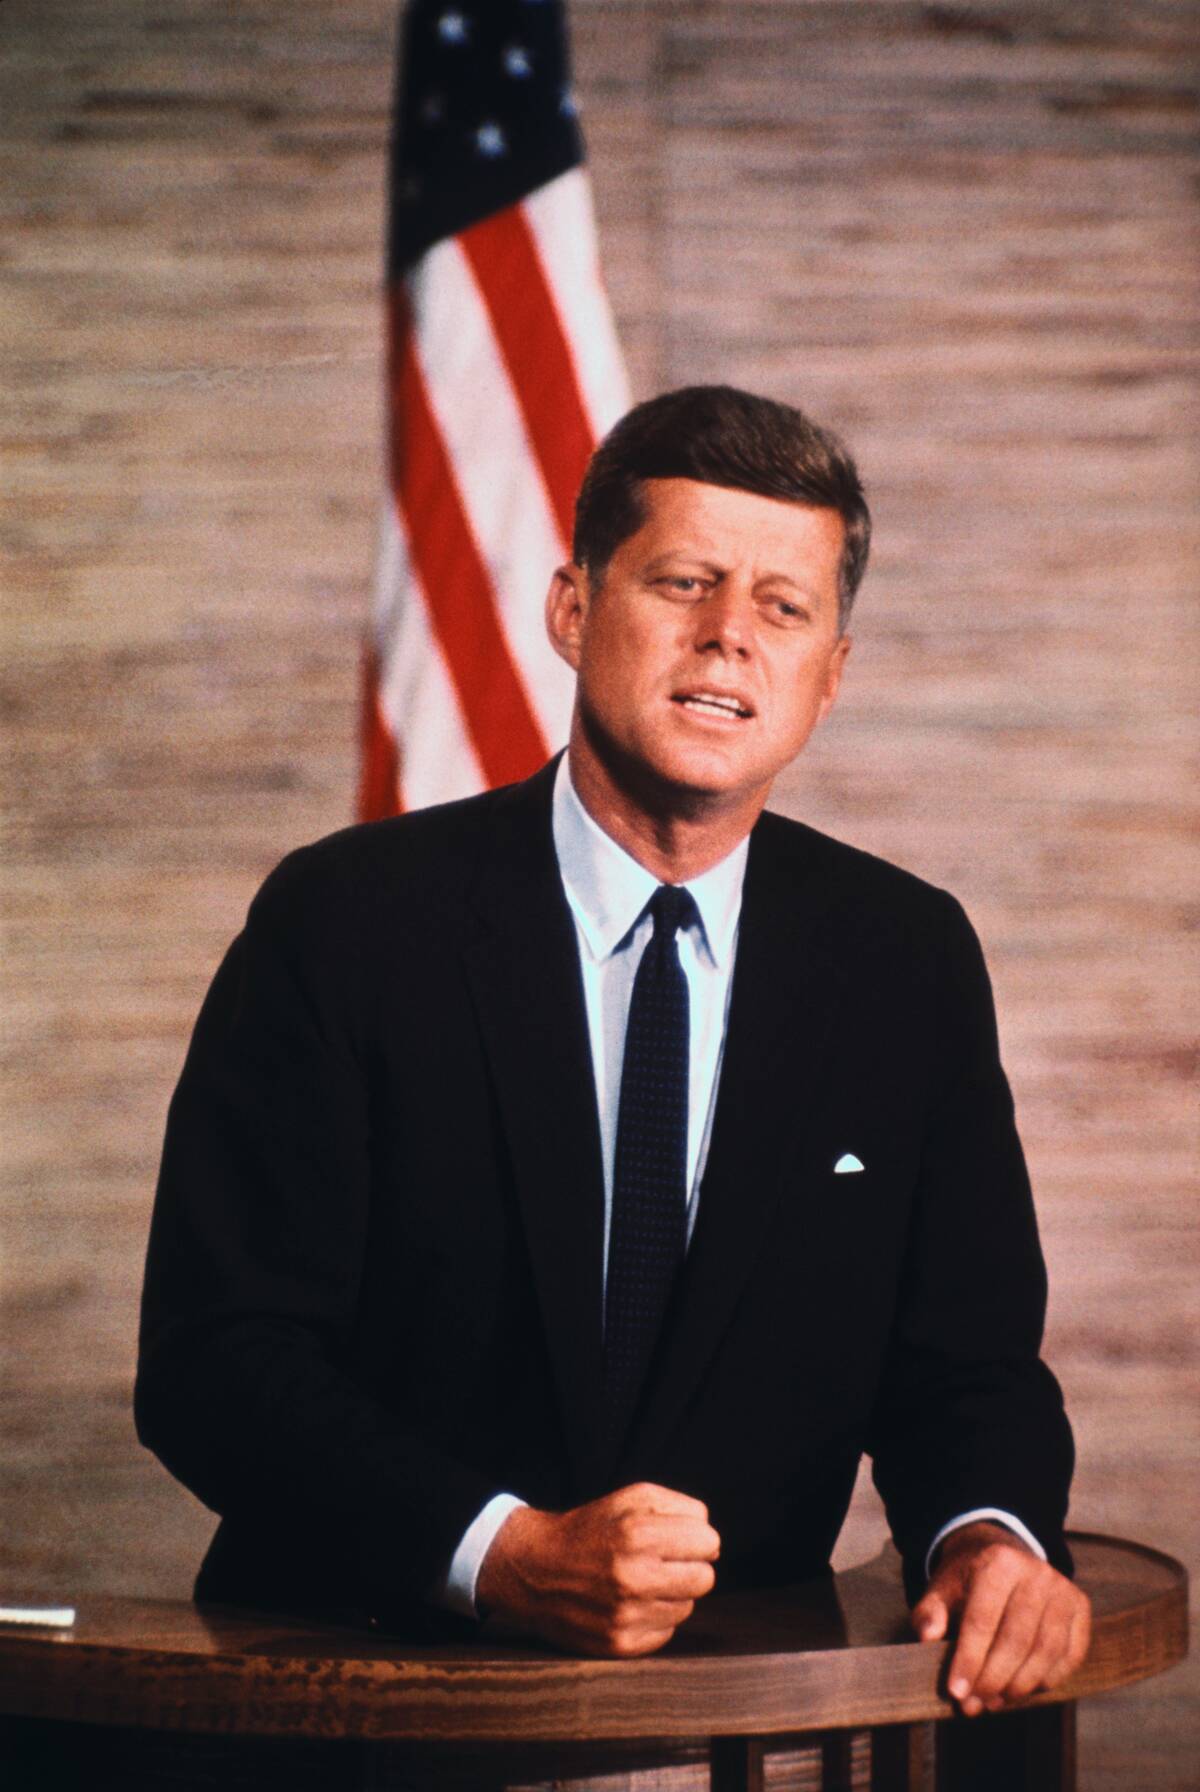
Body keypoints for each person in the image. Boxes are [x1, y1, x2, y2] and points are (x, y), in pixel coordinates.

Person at [136, 385, 1090, 1717]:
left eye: (782, 606)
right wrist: (497, 1554)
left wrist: (989, 1539)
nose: (727, 639)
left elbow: (969, 1365)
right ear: (574, 611)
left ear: (832, 673)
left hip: (741, 1724)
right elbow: (218, 1359)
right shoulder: (347, 922)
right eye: (685, 582)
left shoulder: (905, 960)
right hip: (363, 1708)